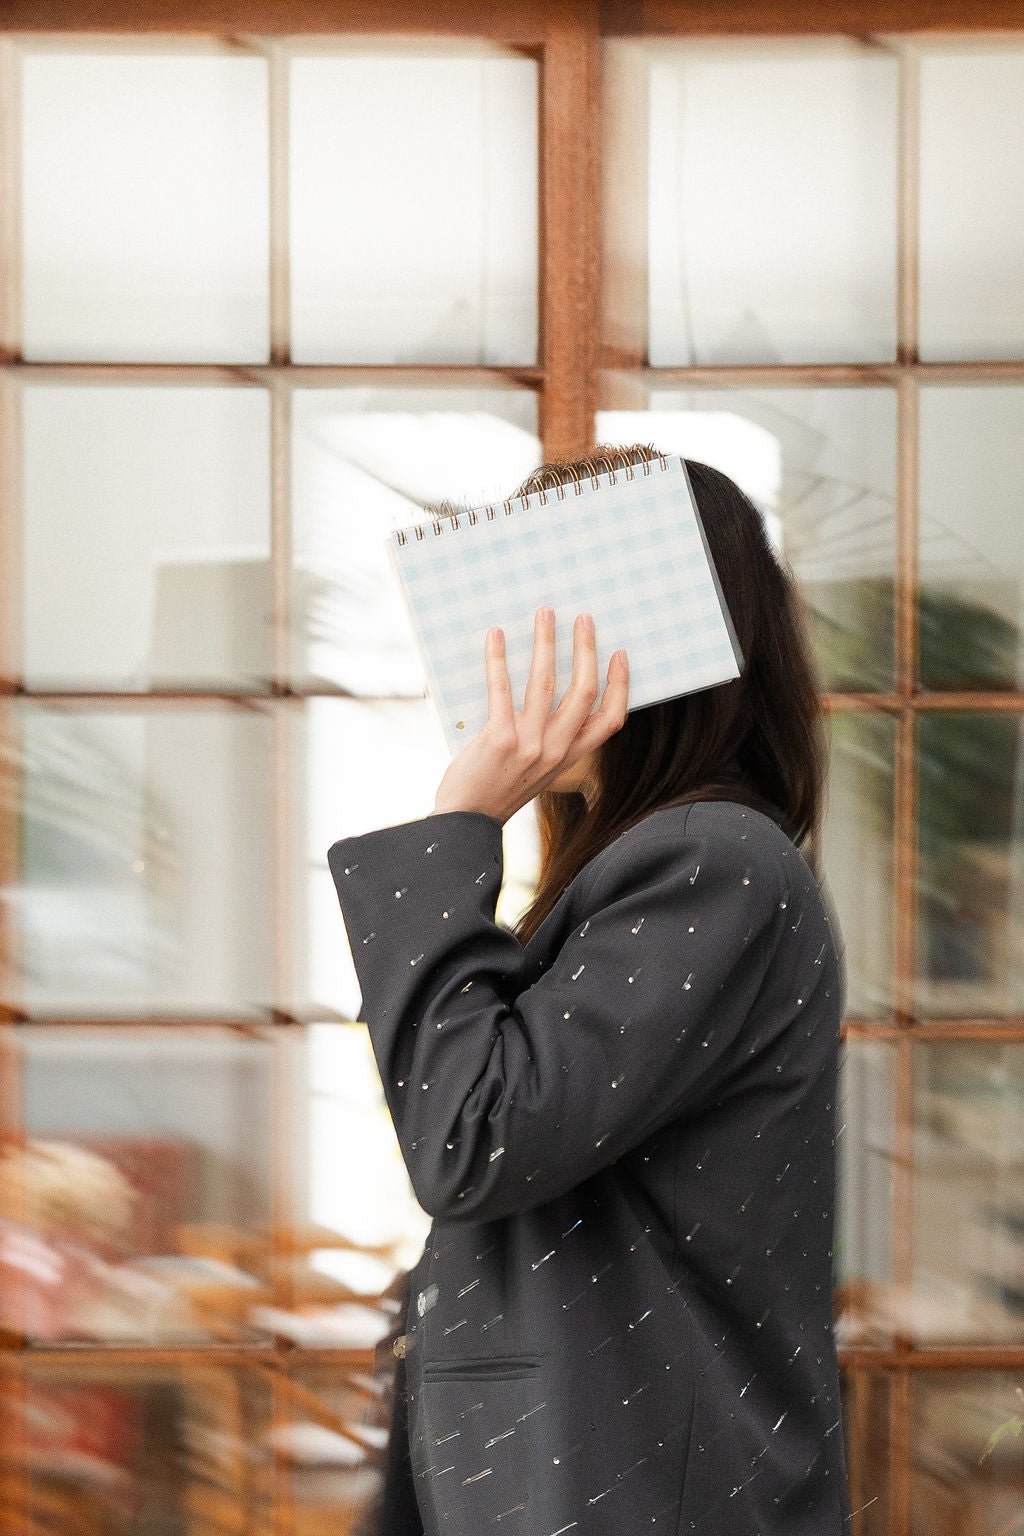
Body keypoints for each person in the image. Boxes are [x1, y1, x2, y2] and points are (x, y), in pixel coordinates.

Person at [328, 443, 853, 1535]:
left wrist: (458, 818)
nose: (500, 661)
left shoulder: (715, 864)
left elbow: (472, 1136)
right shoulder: (669, 863)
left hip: (641, 1489)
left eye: (535, 613)